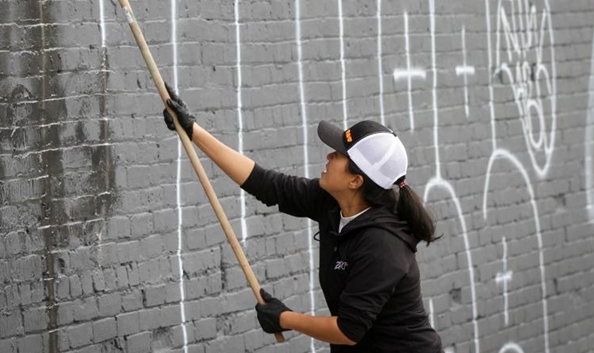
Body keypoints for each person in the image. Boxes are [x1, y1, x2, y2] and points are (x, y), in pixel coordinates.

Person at [162, 85, 443, 352]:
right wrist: (192, 131)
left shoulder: (382, 245)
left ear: (356, 181)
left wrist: (285, 318)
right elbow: (267, 184)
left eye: (339, 155)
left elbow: (348, 330)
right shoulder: (333, 202)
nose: (329, 155)